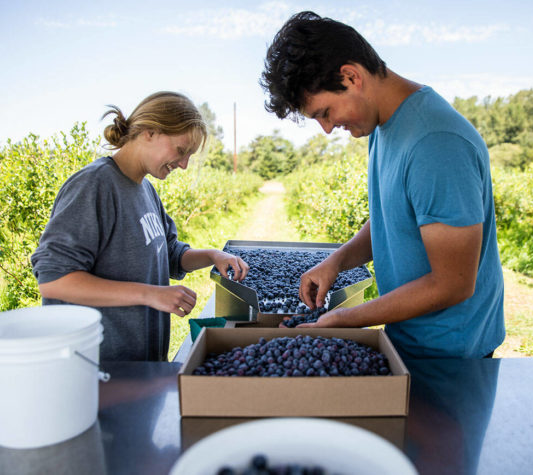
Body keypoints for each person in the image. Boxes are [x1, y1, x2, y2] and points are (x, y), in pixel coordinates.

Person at [261, 12, 505, 358]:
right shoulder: (384, 127)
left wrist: (346, 318)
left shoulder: (436, 143)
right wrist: (337, 261)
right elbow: (392, 219)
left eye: (325, 113)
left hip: (450, 357)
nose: (327, 129)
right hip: (408, 341)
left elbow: (453, 283)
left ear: (351, 76)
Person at [31, 91, 249, 361]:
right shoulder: (94, 186)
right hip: (99, 369)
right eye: (181, 151)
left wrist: (214, 255)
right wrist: (150, 294)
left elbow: (169, 254)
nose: (183, 165)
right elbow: (54, 281)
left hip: (140, 365)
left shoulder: (145, 189)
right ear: (149, 132)